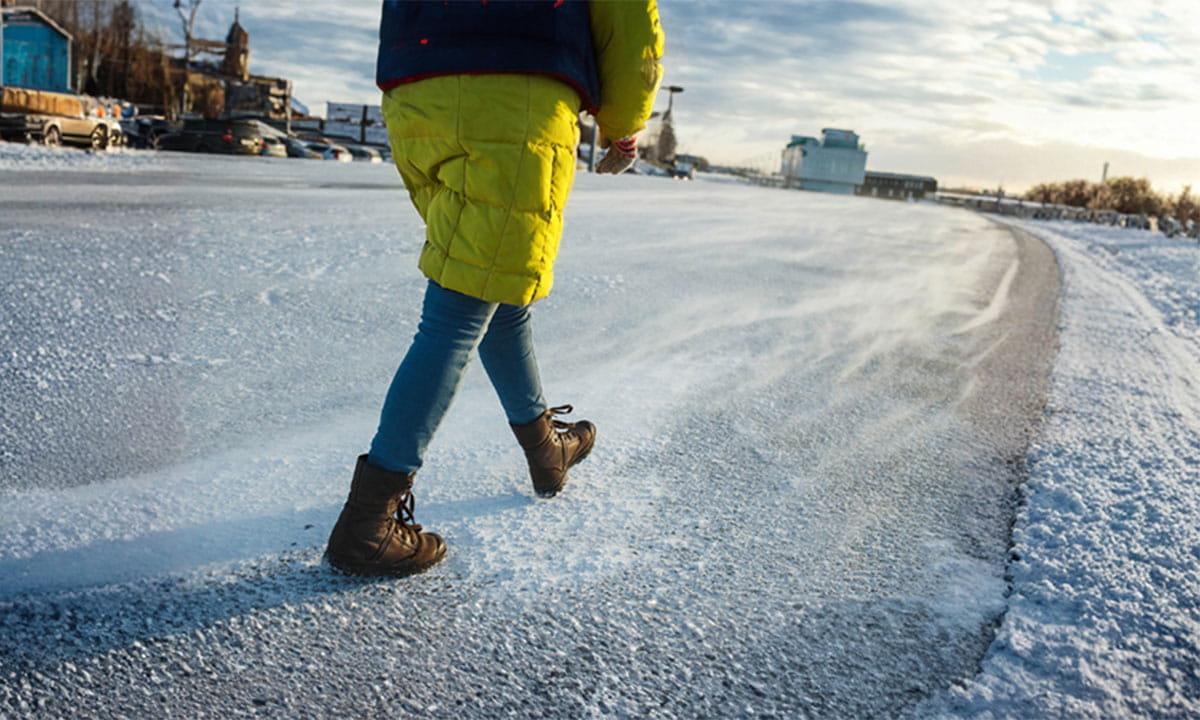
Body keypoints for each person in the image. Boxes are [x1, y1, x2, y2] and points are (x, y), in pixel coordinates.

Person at [325, 0, 664, 577]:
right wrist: (623, 129)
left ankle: (546, 453)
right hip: (512, 99)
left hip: (415, 92)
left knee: (493, 291)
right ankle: (367, 524)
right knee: (458, 313)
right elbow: (630, 20)